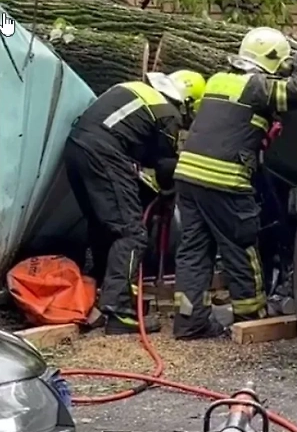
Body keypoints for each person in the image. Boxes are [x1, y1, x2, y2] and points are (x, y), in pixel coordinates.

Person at [171, 27, 297, 340]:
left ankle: (189, 321)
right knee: (240, 245)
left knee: (194, 251)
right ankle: (250, 315)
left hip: (188, 176)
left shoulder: (218, 80)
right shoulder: (255, 85)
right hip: (223, 179)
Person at [64, 69, 205, 335]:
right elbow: (164, 165)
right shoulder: (167, 113)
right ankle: (120, 311)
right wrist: (168, 191)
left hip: (76, 148)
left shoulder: (138, 91)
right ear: (187, 101)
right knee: (132, 233)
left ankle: (100, 292)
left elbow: (139, 148)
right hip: (104, 153)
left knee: (104, 227)